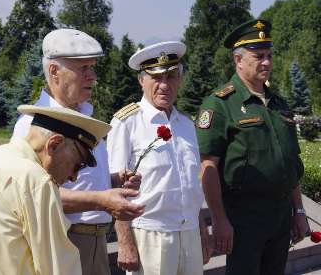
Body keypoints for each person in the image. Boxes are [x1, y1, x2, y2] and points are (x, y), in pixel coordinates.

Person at [12, 28, 144, 275]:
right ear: (54, 72)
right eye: (83, 68)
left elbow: (79, 183)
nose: (93, 76)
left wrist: (114, 181)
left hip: (96, 241)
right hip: (62, 241)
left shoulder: (84, 116)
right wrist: (102, 200)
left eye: (93, 68)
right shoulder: (33, 126)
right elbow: (31, 196)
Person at [196, 19, 309, 275]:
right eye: (259, 56)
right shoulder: (220, 105)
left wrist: (299, 210)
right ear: (238, 60)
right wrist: (219, 219)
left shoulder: (278, 104)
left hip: (280, 216)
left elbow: (290, 162)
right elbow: (207, 167)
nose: (267, 62)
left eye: (269, 55)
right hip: (243, 218)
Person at [0, 105, 112, 274]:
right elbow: (58, 268)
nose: (74, 177)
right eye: (78, 165)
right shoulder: (35, 180)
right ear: (54, 145)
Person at [107, 41, 212, 275]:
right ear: (141, 80)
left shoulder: (185, 124)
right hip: (150, 236)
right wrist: (124, 242)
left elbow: (191, 186)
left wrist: (202, 231)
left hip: (190, 234)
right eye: (156, 77)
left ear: (180, 79)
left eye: (171, 76)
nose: (164, 85)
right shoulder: (126, 123)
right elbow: (116, 191)